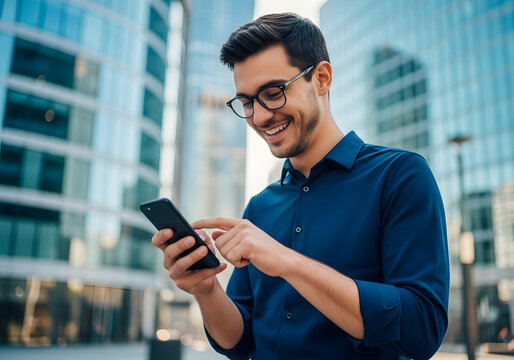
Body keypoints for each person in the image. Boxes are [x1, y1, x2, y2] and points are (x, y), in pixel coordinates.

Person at [152, 13, 449, 360]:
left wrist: (286, 261)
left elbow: (422, 329)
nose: (260, 117)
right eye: (247, 102)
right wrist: (205, 291)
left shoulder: (400, 176)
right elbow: (241, 341)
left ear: (321, 78)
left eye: (273, 92)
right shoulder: (260, 208)